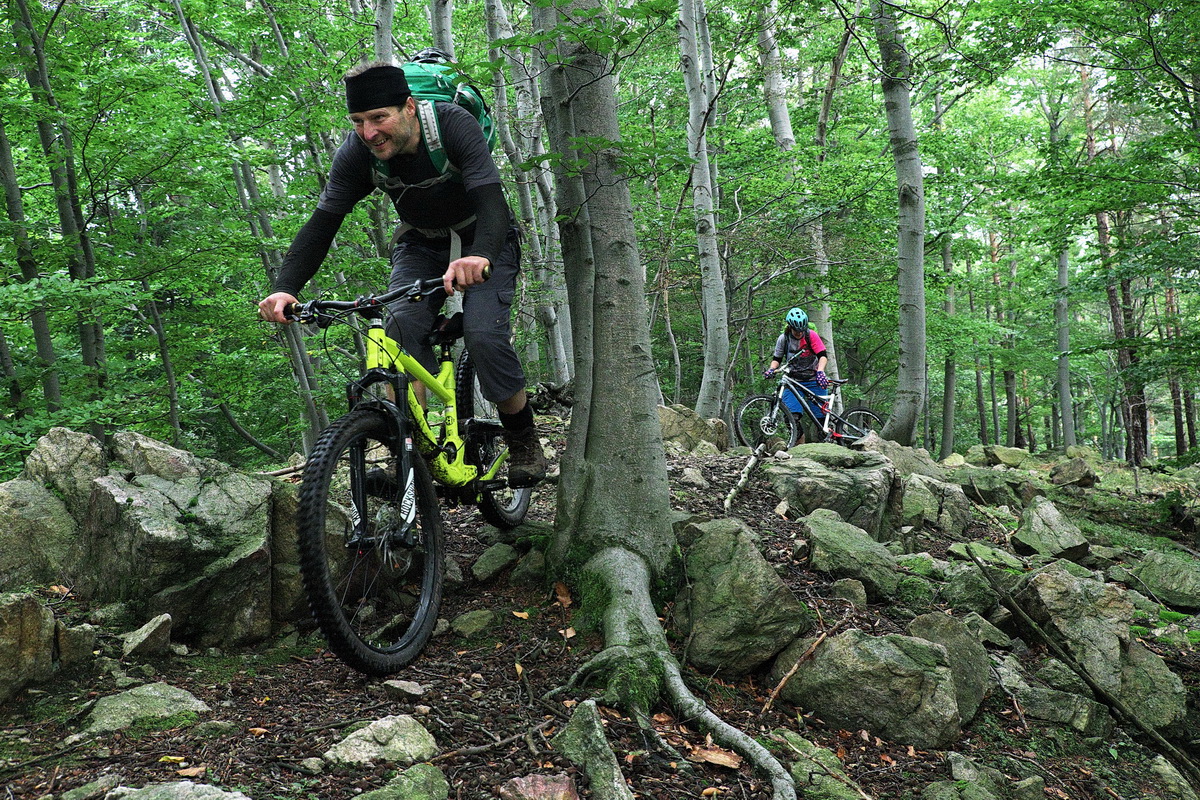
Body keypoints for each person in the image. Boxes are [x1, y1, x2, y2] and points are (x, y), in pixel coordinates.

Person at [257, 57, 547, 488]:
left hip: (485, 236)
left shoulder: (451, 125)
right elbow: (322, 224)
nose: (368, 132)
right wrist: (285, 288)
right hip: (420, 243)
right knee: (397, 333)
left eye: (379, 118)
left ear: (409, 107)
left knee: (484, 335)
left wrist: (480, 255)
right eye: (358, 121)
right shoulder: (358, 153)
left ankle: (523, 440)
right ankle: (410, 455)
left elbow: (490, 200)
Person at [763, 307, 829, 440]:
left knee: (822, 420)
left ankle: (830, 442)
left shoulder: (811, 335)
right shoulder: (783, 339)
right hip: (793, 381)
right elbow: (777, 359)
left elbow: (822, 355)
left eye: (801, 330)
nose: (799, 333)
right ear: (790, 327)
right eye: (796, 330)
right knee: (791, 418)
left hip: (813, 379)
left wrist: (820, 371)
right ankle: (798, 446)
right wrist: (771, 369)